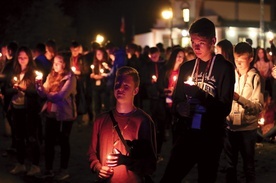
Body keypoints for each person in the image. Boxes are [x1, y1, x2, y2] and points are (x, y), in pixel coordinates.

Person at [160, 17, 235, 183]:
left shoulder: (224, 68)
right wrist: (179, 108)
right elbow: (176, 100)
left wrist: (199, 94)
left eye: (201, 42)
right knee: (170, 177)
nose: (196, 47)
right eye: (193, 41)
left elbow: (225, 108)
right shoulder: (187, 67)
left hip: (211, 134)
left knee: (206, 177)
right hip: (187, 133)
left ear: (213, 41)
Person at [88, 66, 157, 183]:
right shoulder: (101, 120)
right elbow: (92, 152)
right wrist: (98, 167)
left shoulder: (143, 121)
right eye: (117, 84)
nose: (120, 88)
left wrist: (126, 161)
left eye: (126, 86)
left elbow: (150, 164)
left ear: (135, 91)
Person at [224, 42, 264, 183]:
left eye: (242, 60)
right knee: (230, 166)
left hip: (247, 129)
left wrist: (239, 99)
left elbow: (258, 107)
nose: (238, 63)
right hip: (230, 128)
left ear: (251, 58)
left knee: (248, 166)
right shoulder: (230, 75)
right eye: (236, 60)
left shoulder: (255, 78)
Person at [36, 53, 77, 181]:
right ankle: (48, 169)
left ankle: (64, 170)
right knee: (49, 142)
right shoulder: (51, 75)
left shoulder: (70, 78)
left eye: (58, 62)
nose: (55, 65)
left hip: (65, 115)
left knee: (64, 142)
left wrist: (49, 94)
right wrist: (39, 84)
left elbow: (61, 96)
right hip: (50, 113)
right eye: (54, 62)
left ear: (64, 64)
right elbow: (43, 93)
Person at [7, 46, 42, 176]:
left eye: (25, 58)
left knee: (32, 137)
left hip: (29, 109)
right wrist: (14, 89)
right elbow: (6, 89)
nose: (22, 60)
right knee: (18, 137)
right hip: (16, 108)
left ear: (29, 58)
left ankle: (35, 165)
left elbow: (38, 92)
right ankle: (20, 164)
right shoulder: (14, 71)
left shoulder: (33, 73)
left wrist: (24, 89)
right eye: (20, 57)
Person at [157, 47, 185, 144]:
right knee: (164, 119)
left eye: (182, 56)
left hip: (176, 100)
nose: (180, 58)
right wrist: (164, 90)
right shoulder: (165, 69)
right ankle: (164, 133)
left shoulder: (183, 71)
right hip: (165, 98)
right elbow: (159, 83)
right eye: (178, 56)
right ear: (174, 56)